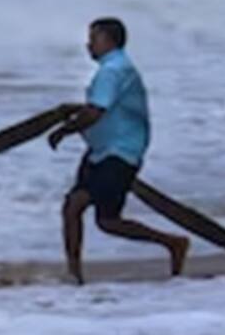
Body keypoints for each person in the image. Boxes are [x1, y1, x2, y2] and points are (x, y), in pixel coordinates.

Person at [46, 17, 188, 285]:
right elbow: (105, 105)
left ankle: (173, 243)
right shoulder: (115, 68)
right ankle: (74, 275)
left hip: (120, 152)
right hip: (102, 151)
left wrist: (64, 130)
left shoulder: (112, 70)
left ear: (109, 41)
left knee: (107, 221)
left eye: (94, 39)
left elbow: (96, 112)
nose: (88, 45)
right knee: (73, 207)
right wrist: (75, 109)